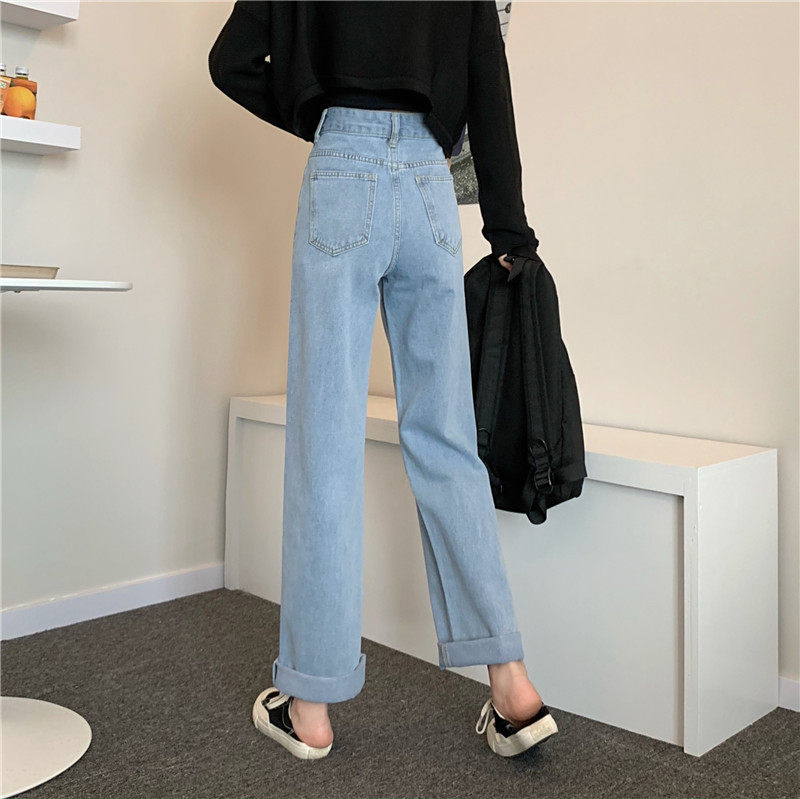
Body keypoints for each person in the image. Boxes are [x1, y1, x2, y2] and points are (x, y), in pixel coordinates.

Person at [208, 0, 557, 760]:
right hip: (430, 181)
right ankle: (511, 679)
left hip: (344, 166)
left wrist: (319, 115)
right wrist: (509, 229)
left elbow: (230, 62)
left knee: (325, 444)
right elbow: (488, 85)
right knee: (446, 438)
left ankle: (311, 704)